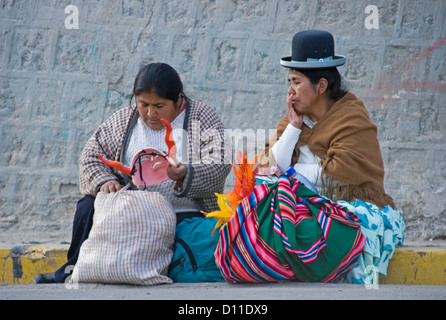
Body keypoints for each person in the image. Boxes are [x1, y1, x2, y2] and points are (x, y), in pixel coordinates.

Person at [34, 63, 232, 283]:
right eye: (143, 104)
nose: (150, 113)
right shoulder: (124, 120)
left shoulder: (201, 117)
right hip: (132, 212)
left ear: (178, 100)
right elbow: (90, 156)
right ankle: (72, 270)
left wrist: (186, 173)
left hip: (182, 213)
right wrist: (105, 181)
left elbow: (220, 161)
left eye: (159, 105)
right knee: (87, 205)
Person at [260, 30, 405, 284]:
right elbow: (273, 166)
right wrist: (293, 128)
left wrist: (291, 176)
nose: (290, 91)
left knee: (340, 225)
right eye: (289, 82)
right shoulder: (296, 118)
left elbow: (340, 171)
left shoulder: (351, 118)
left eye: (296, 82)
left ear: (322, 86)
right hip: (307, 208)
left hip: (349, 206)